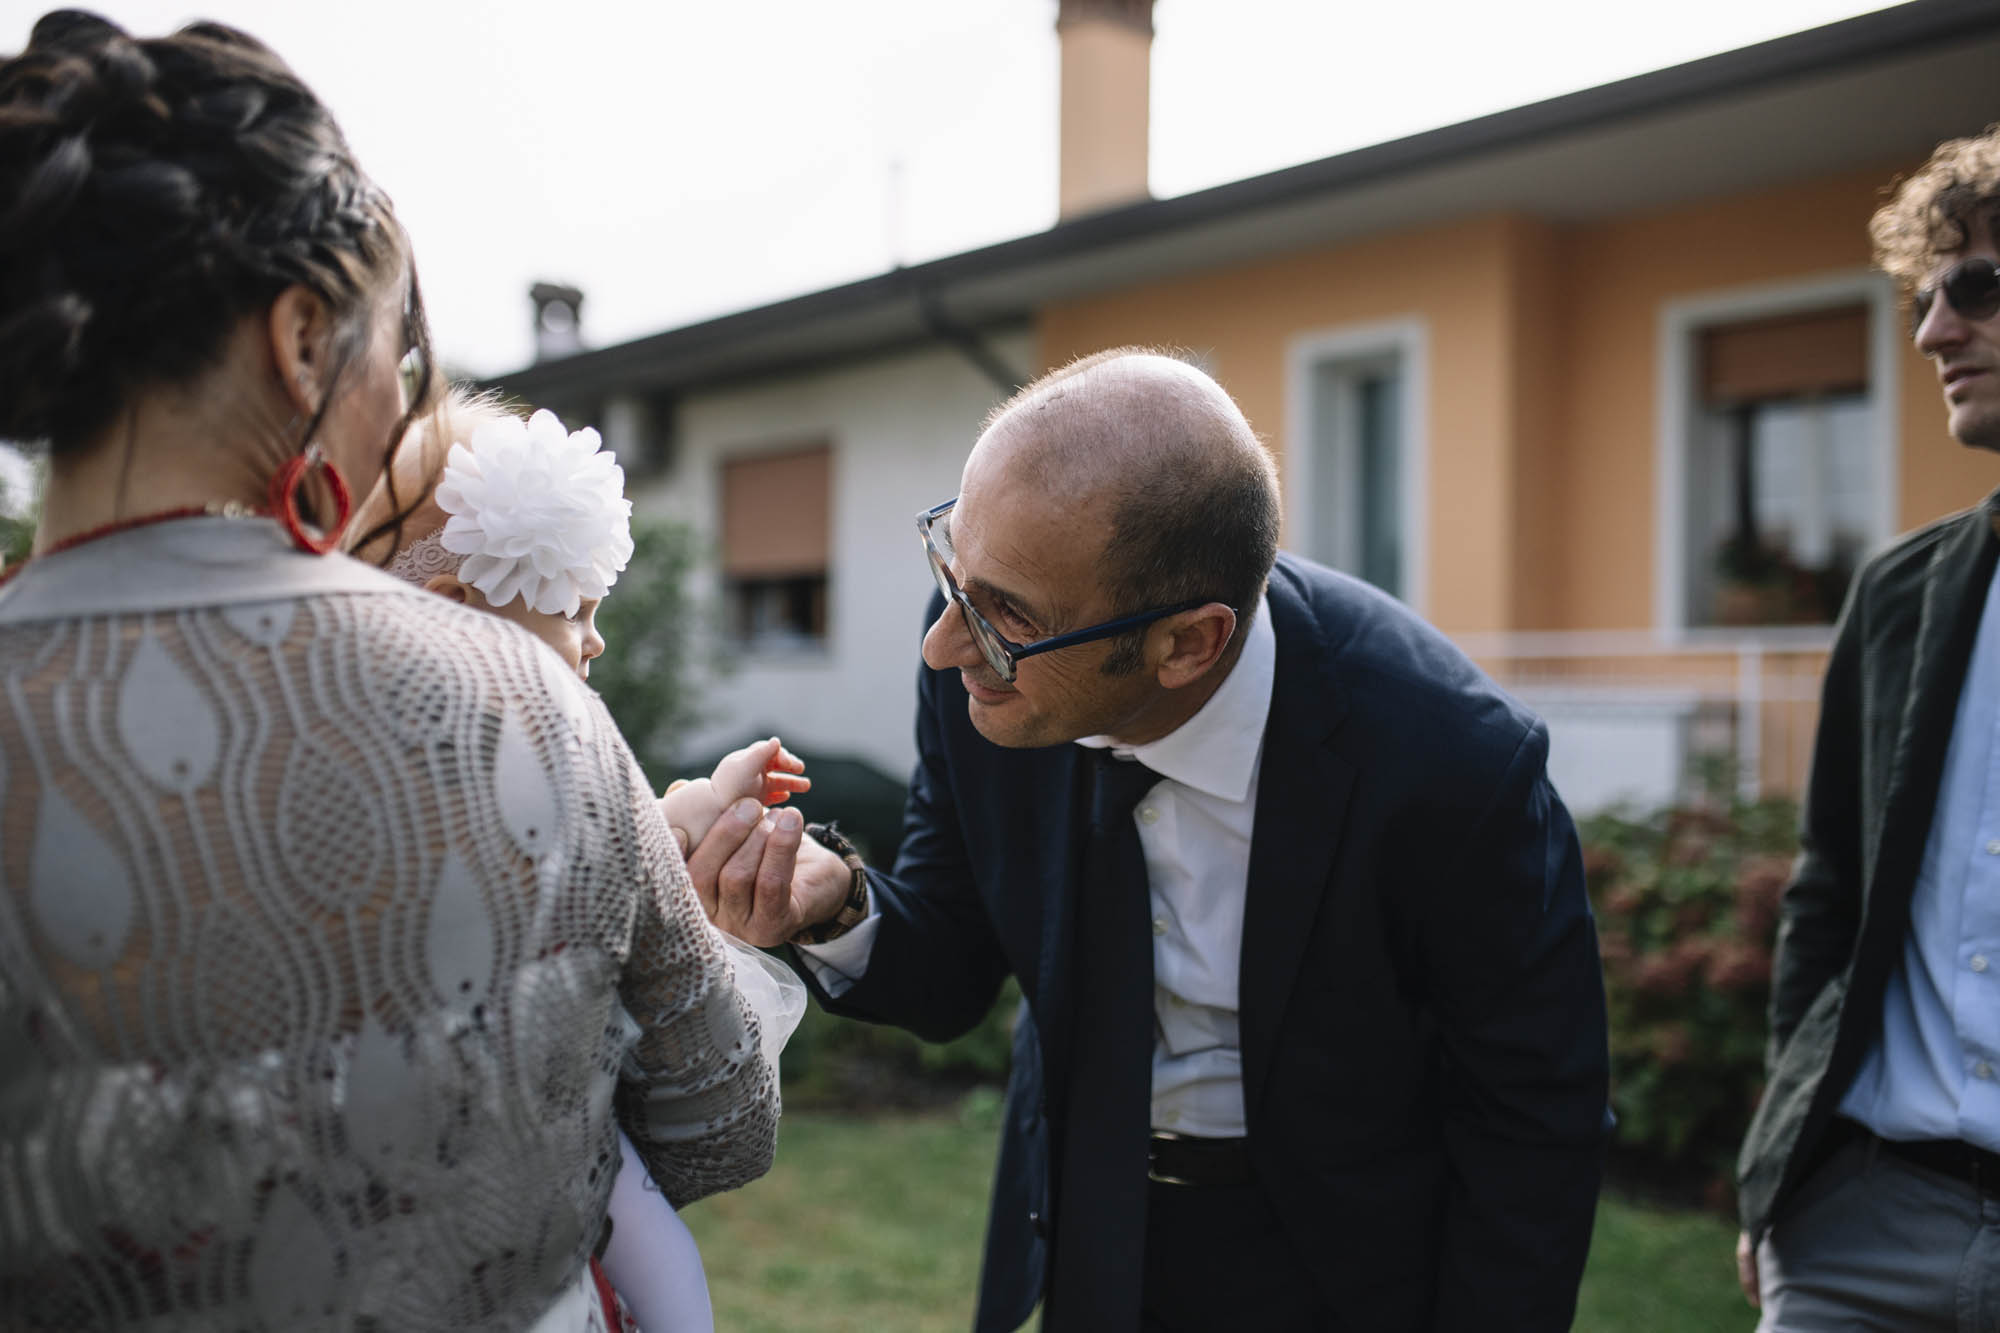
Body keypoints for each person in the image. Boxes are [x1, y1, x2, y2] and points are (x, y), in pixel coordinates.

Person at [0, 12, 776, 1330]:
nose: (405, 402)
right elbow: (719, 1124)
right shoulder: (532, 704)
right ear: (302, 338)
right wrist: (718, 938)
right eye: (396, 353)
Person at [685, 348, 1612, 1331]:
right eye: (951, 565)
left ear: (1186, 644)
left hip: (1351, 1271)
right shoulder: (980, 654)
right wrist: (834, 901)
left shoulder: (1450, 763)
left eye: (1003, 616)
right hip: (1088, 1237)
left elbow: (1533, 1117)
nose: (943, 645)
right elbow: (953, 959)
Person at [356, 389, 811, 1333]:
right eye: (578, 611)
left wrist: (701, 799)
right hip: (535, 1155)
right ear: (458, 617)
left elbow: (636, 816)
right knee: (655, 1250)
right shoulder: (526, 776)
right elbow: (718, 1114)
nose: (597, 639)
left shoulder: (338, 781)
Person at [1735, 126, 2000, 1330]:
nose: (1931, 332)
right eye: (1926, 295)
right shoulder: (1898, 594)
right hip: (1854, 1226)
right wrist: (1780, 1162)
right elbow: (1825, 892)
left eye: (1977, 289)